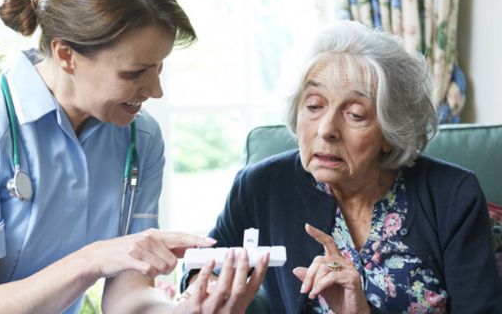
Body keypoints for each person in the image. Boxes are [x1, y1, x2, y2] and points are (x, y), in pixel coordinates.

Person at [0, 0, 269, 313]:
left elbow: (127, 298)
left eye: (159, 67)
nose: (155, 89)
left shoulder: (140, 137)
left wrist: (185, 308)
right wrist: (92, 259)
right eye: (135, 72)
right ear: (66, 55)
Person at [183, 20, 502, 313]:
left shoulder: (453, 195)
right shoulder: (261, 187)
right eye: (313, 106)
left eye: (356, 114)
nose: (326, 130)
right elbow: (202, 264)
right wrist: (205, 286)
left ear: (389, 133)